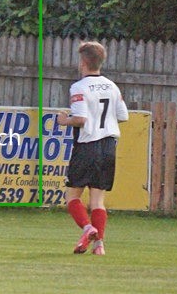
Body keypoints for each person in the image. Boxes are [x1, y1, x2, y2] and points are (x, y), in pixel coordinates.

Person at [57, 41, 128, 255]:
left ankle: (88, 229)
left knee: (72, 197)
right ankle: (99, 246)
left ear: (84, 62)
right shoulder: (112, 86)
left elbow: (80, 119)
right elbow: (123, 116)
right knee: (98, 200)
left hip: (87, 146)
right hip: (108, 146)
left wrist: (64, 120)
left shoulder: (79, 87)